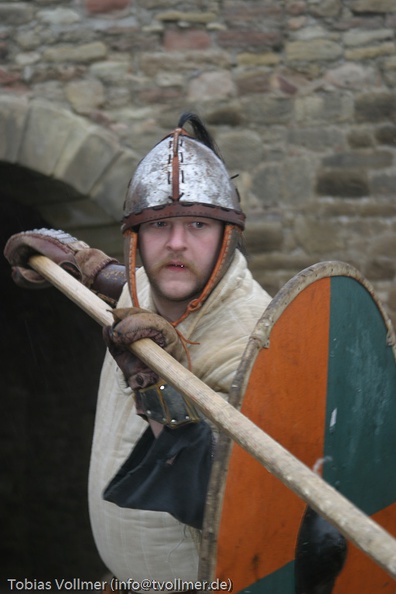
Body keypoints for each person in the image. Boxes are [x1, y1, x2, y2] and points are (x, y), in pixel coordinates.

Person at [4, 113, 272, 589]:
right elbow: (129, 283)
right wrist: (75, 262)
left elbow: (232, 506)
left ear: (229, 234)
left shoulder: (256, 341)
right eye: (158, 226)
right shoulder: (142, 289)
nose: (175, 243)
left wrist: (155, 381)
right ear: (135, 239)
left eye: (197, 224)